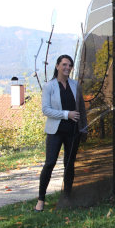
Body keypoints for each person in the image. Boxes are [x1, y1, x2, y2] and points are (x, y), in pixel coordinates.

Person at [34, 55, 87, 211]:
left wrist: (84, 128)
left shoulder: (75, 85)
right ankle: (41, 199)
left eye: (70, 65)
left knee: (69, 164)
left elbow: (81, 109)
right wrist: (66, 114)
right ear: (57, 66)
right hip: (55, 131)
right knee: (50, 163)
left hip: (73, 131)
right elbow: (46, 110)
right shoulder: (49, 86)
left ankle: (67, 197)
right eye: (64, 64)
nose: (67, 68)